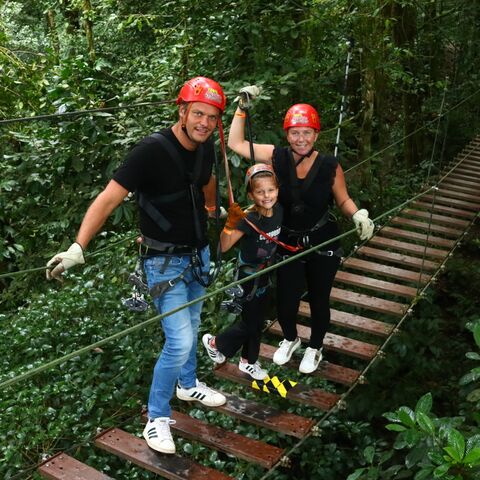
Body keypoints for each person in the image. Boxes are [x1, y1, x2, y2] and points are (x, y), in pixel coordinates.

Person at [46, 76, 228, 455]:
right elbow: (109, 197)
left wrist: (212, 210)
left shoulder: (206, 146)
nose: (204, 123)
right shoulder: (150, 152)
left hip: (198, 254)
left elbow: (207, 180)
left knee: (193, 327)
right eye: (198, 114)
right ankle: (156, 418)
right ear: (181, 111)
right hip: (164, 262)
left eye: (211, 117)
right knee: (178, 342)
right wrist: (79, 246)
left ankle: (187, 384)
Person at [227, 87, 374, 375]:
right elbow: (236, 143)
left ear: (316, 134)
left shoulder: (330, 165)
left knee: (319, 297)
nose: (301, 138)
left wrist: (357, 213)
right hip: (287, 242)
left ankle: (315, 346)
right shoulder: (276, 157)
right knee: (285, 301)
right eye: (295, 132)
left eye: (307, 132)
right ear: (287, 134)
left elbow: (342, 199)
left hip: (323, 239)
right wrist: (242, 108)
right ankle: (290, 338)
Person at [202, 163, 282, 381]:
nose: (266, 196)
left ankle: (249, 360)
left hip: (266, 273)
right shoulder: (249, 220)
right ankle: (216, 343)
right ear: (251, 194)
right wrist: (231, 223)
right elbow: (224, 246)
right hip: (248, 277)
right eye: (260, 192)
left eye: (271, 190)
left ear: (278, 190)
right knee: (250, 322)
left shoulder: (279, 211)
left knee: (257, 320)